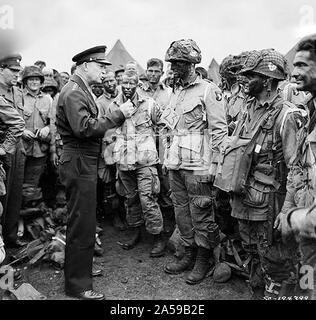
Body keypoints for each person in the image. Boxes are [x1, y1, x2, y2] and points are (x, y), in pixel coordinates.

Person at [216, 49, 305, 299]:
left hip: (270, 206)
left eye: (250, 76)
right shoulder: (249, 109)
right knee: (252, 254)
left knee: (275, 260)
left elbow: (296, 170)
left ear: (266, 80)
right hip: (245, 198)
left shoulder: (287, 116)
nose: (244, 80)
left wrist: (287, 212)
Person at [56, 45, 134, 300]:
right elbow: (84, 128)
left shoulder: (79, 89)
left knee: (85, 220)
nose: (103, 72)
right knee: (81, 221)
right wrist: (117, 115)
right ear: (85, 65)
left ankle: (80, 271)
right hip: (79, 160)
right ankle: (78, 285)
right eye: (100, 67)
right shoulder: (73, 92)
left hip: (83, 160)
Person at [162, 39, 227, 285]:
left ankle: (203, 257)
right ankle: (188, 252)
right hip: (176, 162)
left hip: (199, 164)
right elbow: (171, 128)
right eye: (173, 62)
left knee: (201, 211)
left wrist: (216, 166)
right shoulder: (176, 91)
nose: (174, 66)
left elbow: (219, 131)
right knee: (181, 211)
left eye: (179, 62)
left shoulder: (209, 91)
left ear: (191, 64)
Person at [108, 70, 166, 257]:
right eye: (124, 83)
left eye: (131, 83)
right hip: (124, 161)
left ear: (138, 84)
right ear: (120, 83)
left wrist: (163, 154)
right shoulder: (114, 106)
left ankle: (157, 236)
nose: (127, 87)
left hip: (145, 161)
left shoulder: (149, 103)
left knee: (147, 199)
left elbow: (164, 126)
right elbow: (107, 132)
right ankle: (135, 231)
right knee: (130, 198)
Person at [276, 37, 316, 300]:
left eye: (302, 65)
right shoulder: (309, 113)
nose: (294, 72)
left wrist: (296, 218)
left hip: (308, 221)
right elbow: (298, 170)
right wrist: (288, 208)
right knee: (307, 279)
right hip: (309, 232)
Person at [139, 58, 175, 239]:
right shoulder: (138, 91)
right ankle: (148, 229)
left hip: (162, 143)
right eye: (150, 71)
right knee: (148, 184)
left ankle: (168, 225)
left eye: (156, 71)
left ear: (162, 73)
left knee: (165, 182)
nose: (153, 75)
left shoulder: (168, 93)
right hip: (143, 144)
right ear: (146, 71)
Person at [0, 54, 27, 248]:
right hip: (3, 150)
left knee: (15, 195)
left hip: (17, 149)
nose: (17, 75)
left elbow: (20, 121)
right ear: (1, 70)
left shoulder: (17, 92)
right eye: (13, 71)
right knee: (2, 197)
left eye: (19, 71)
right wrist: (4, 148)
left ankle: (10, 237)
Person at [21, 66, 53, 212]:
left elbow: (55, 123)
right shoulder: (18, 97)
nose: (34, 82)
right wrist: (22, 131)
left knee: (33, 184)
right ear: (25, 82)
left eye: (37, 79)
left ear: (41, 83)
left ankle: (30, 217)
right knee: (17, 183)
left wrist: (47, 129)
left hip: (40, 150)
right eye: (31, 79)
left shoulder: (48, 100)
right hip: (21, 148)